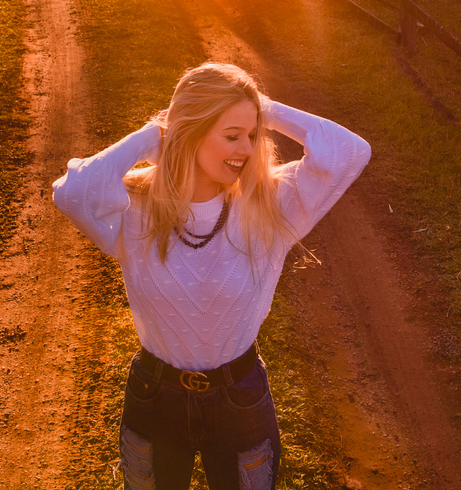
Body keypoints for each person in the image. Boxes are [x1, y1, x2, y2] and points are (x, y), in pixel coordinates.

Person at [52, 62, 371, 489]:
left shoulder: (270, 204)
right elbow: (73, 192)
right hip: (155, 397)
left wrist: (263, 107)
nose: (247, 149)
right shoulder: (135, 208)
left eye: (253, 135)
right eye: (232, 135)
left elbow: (350, 151)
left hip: (240, 398)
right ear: (190, 132)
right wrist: (155, 134)